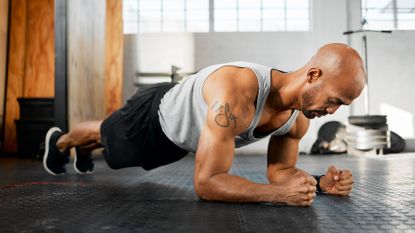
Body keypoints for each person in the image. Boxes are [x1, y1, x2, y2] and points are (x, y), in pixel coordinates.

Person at [43, 43, 365, 206]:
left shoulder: (297, 121)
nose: (333, 111)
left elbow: (279, 172)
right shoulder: (237, 92)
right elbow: (207, 182)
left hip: (179, 141)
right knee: (105, 136)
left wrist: (319, 184)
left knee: (113, 155)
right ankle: (60, 142)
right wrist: (277, 196)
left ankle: (82, 151)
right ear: (313, 76)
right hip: (153, 118)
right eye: (334, 100)